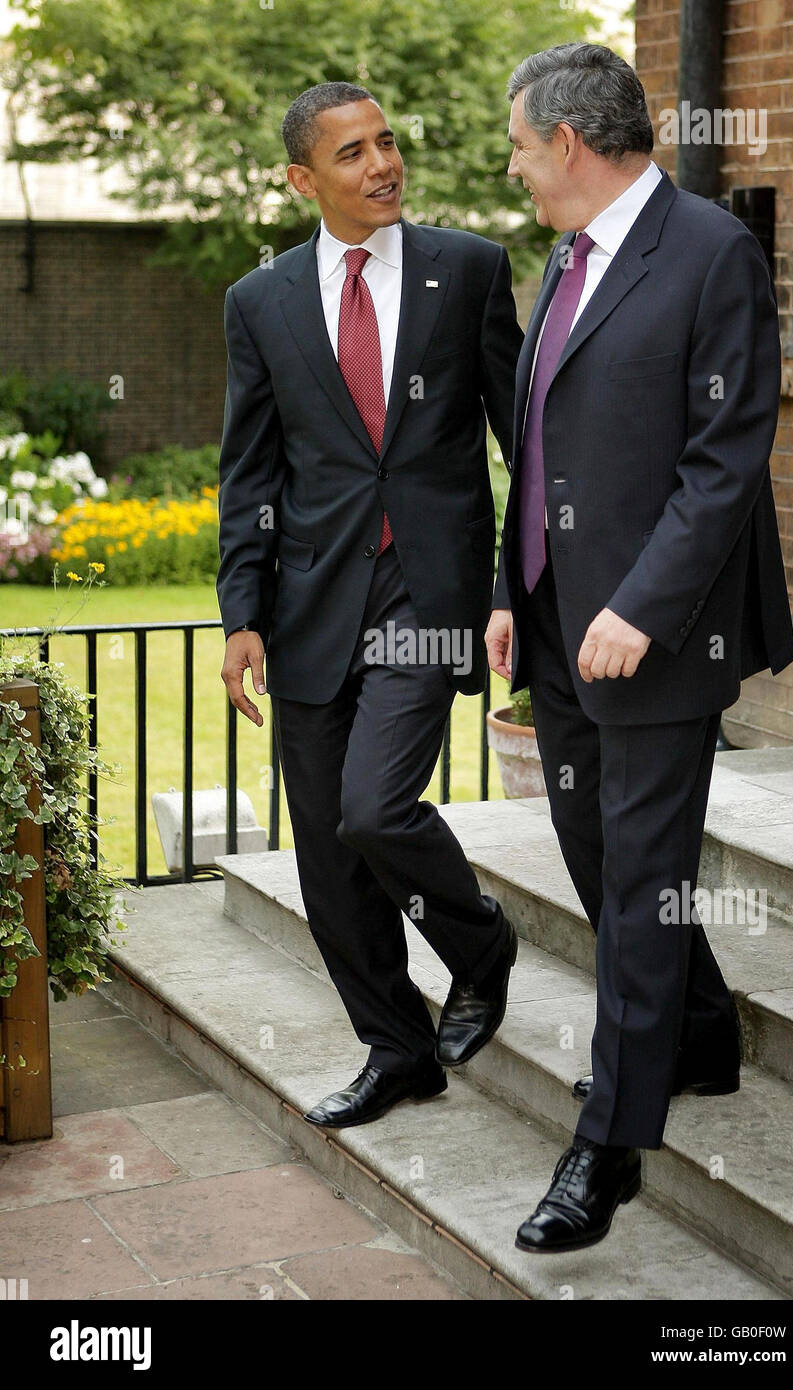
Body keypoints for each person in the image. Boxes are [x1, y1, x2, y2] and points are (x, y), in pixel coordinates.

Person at [486, 42, 793, 1252]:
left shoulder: (710, 252)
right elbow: (539, 440)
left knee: (637, 865)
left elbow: (725, 461)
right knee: (594, 847)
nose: (510, 165)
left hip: (656, 634)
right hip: (561, 624)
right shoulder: (563, 258)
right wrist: (517, 586)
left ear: (567, 140)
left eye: (517, 142)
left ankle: (610, 1146)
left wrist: (641, 605)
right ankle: (700, 1029)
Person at [217, 82, 523, 1129]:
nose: (382, 164)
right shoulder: (258, 302)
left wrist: (506, 588)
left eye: (387, 142)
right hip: (307, 606)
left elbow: (523, 443)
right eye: (352, 153)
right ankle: (395, 1049)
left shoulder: (469, 270)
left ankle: (480, 944)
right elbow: (249, 473)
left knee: (374, 808)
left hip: (424, 596)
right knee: (326, 855)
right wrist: (239, 616)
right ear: (304, 178)